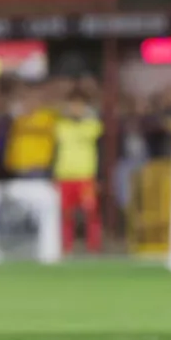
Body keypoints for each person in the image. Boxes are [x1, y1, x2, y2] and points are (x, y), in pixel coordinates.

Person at [53, 91, 104, 253]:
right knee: (66, 214)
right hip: (65, 176)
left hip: (85, 176)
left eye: (79, 105)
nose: (76, 109)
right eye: (73, 105)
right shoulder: (61, 126)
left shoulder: (92, 125)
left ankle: (93, 246)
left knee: (91, 213)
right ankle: (66, 246)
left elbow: (99, 142)